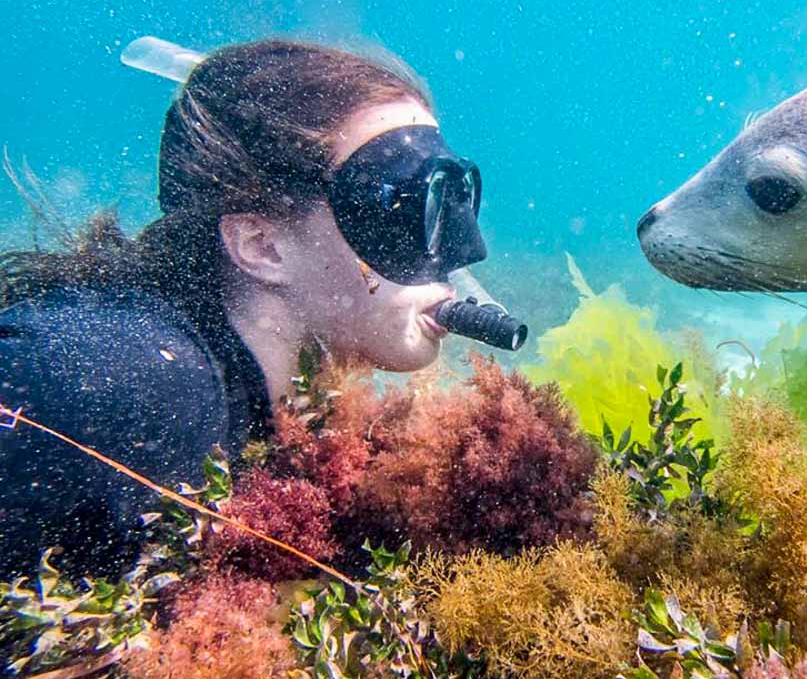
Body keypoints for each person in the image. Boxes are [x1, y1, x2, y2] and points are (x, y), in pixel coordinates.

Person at [0, 39, 492, 579]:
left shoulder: (256, 393)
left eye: (447, 200)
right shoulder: (125, 383)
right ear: (262, 246)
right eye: (400, 208)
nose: (465, 249)